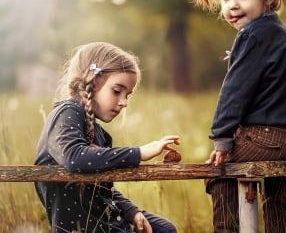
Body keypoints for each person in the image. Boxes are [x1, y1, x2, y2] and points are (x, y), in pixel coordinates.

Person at [195, 0, 286, 232]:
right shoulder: (280, 32)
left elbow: (234, 92)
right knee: (278, 201)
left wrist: (222, 138)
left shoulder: (251, 35)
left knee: (219, 174)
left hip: (267, 141)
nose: (233, 5)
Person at [34, 42, 179, 233]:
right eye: (117, 91)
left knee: (165, 228)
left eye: (127, 95)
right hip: (86, 227)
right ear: (93, 82)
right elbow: (74, 157)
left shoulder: (101, 134)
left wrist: (131, 211)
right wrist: (139, 153)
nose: (124, 102)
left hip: (109, 218)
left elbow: (103, 188)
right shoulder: (67, 113)